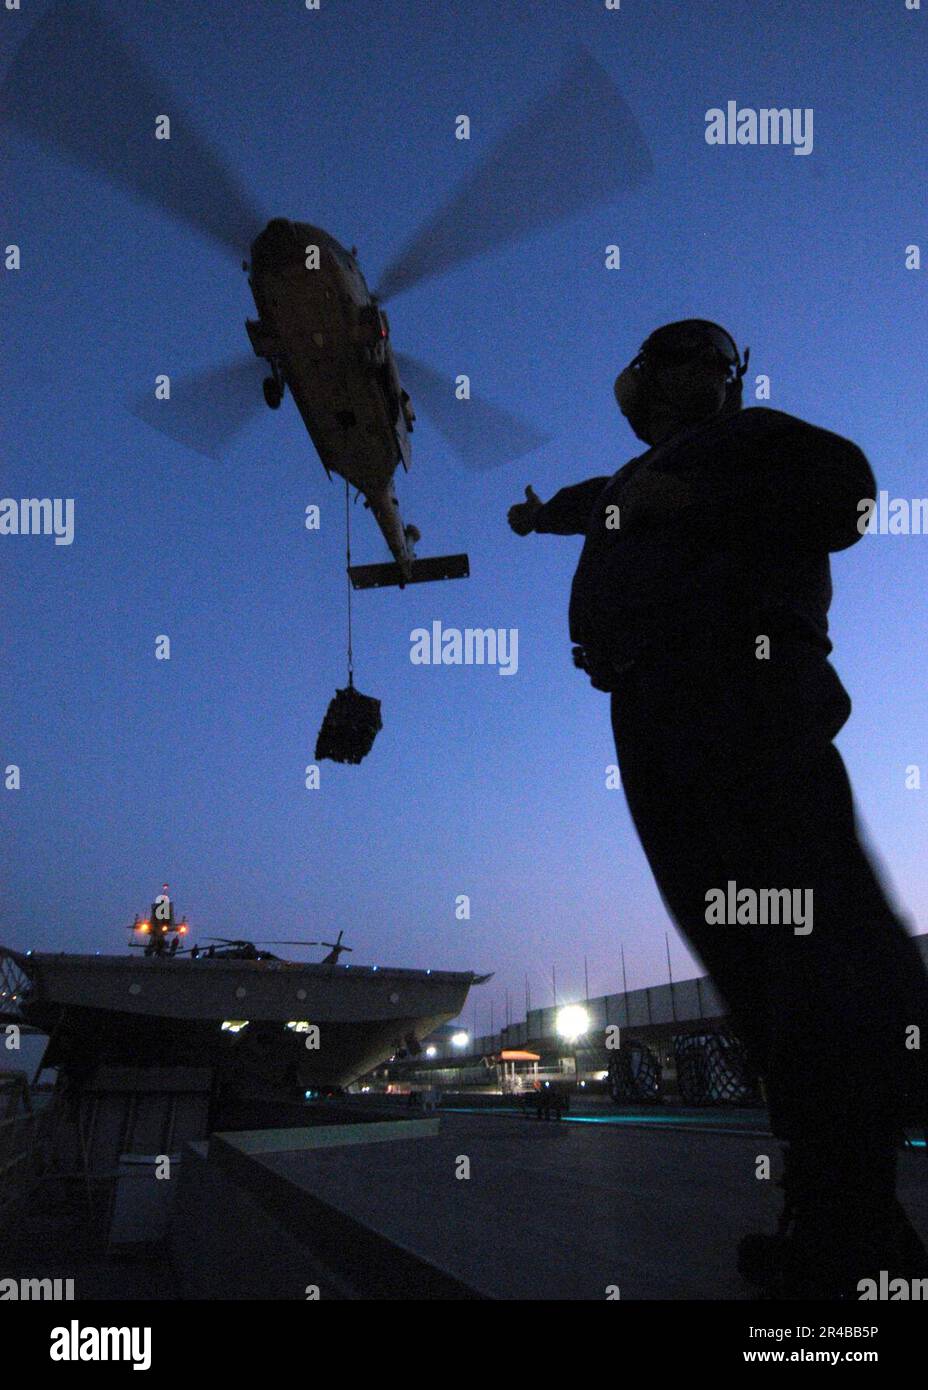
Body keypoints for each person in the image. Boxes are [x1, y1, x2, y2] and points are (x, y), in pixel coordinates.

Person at [508, 319, 928, 1298]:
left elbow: (847, 493)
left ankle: (857, 1217)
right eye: (677, 361)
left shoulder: (754, 440)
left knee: (818, 941)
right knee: (756, 966)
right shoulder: (624, 480)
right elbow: (593, 503)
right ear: (644, 385)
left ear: (727, 382)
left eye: (711, 363)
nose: (698, 376)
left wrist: (695, 496)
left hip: (745, 698)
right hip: (656, 722)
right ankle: (839, 1214)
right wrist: (541, 517)